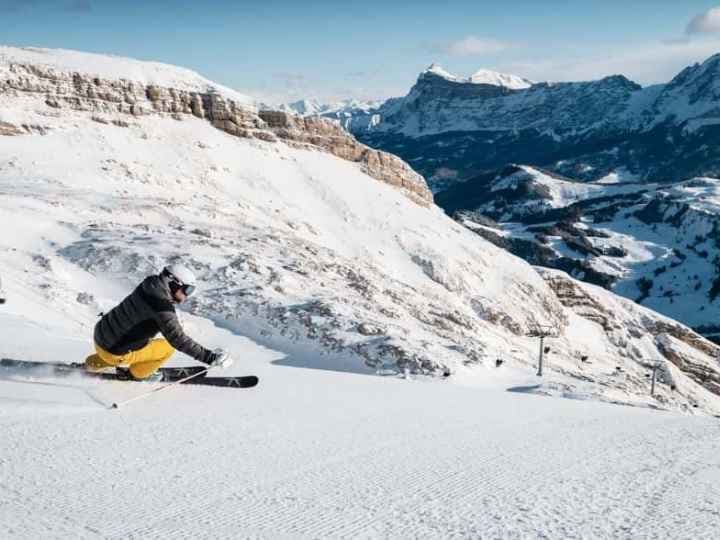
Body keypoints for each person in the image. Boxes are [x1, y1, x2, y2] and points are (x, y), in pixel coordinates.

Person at [85, 264, 232, 381]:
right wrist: (209, 357)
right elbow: (178, 339)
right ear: (175, 284)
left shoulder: (149, 284)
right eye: (187, 290)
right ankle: (136, 374)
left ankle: (93, 364)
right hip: (113, 352)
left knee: (136, 340)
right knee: (167, 348)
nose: (187, 296)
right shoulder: (161, 307)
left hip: (100, 337)